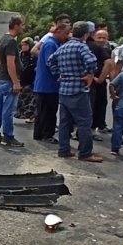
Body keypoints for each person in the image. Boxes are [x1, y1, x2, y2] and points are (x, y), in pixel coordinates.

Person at [48, 21, 102, 162]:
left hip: (64, 88)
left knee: (65, 123)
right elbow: (91, 61)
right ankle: (85, 153)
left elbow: (50, 61)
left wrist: (59, 74)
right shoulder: (81, 46)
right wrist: (89, 74)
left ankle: (64, 149)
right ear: (86, 34)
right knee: (84, 122)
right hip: (78, 88)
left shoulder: (64, 47)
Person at [0, 16, 25, 146]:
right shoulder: (11, 42)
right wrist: (16, 81)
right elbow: (11, 64)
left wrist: (1, 65)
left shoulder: (3, 38)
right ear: (16, 25)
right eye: (22, 25)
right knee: (8, 109)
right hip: (9, 80)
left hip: (2, 78)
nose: (23, 28)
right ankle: (8, 136)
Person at [33, 22, 69, 144]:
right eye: (66, 33)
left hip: (46, 85)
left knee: (43, 110)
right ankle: (47, 134)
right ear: (58, 31)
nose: (67, 36)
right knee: (48, 111)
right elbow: (50, 62)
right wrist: (60, 75)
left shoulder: (55, 43)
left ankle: (39, 133)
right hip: (47, 85)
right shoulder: (50, 44)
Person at [87, 27, 111, 138]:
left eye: (104, 38)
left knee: (100, 104)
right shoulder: (92, 47)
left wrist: (101, 79)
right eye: (99, 37)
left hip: (99, 82)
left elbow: (109, 64)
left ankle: (97, 126)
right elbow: (109, 63)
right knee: (90, 106)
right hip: (91, 80)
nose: (101, 40)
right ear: (94, 37)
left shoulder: (107, 49)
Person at [14, 36, 37, 122]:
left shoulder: (33, 56)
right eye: (22, 45)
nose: (23, 47)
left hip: (31, 81)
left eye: (25, 45)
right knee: (23, 99)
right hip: (22, 80)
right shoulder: (20, 55)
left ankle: (32, 116)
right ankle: (24, 114)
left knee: (32, 100)